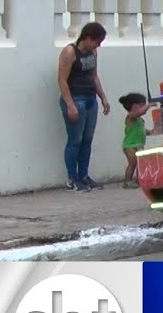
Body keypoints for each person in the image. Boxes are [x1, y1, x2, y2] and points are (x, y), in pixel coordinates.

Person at [57, 22, 110, 192]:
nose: (98, 45)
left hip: (90, 98)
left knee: (87, 140)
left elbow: (94, 76)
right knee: (75, 139)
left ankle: (84, 175)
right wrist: (70, 104)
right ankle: (72, 178)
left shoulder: (93, 53)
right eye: (97, 41)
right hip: (75, 98)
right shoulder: (70, 52)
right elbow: (62, 80)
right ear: (87, 38)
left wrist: (102, 97)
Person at [118, 92, 152, 188]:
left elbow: (142, 130)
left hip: (139, 145)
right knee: (132, 163)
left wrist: (151, 132)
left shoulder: (140, 120)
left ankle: (139, 180)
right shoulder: (130, 117)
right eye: (142, 105)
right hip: (130, 145)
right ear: (134, 106)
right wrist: (149, 105)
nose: (143, 108)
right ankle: (127, 181)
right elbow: (140, 112)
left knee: (140, 163)